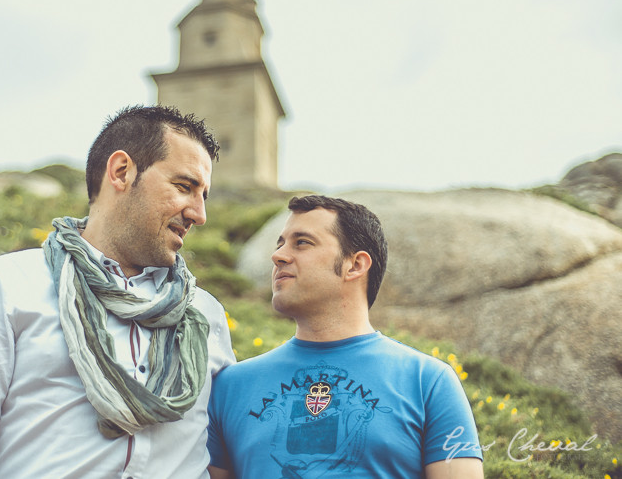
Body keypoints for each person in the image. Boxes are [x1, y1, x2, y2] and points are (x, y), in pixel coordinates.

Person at [0, 105, 236, 478]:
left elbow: (225, 458)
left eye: (204, 195)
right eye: (184, 187)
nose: (199, 213)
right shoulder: (11, 284)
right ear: (122, 172)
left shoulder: (207, 315)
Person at [207, 195, 484, 479]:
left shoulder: (428, 382)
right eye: (280, 244)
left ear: (355, 265)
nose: (277, 256)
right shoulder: (229, 387)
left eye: (302, 242)